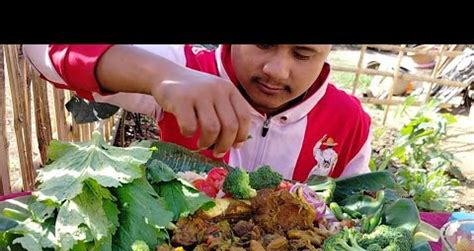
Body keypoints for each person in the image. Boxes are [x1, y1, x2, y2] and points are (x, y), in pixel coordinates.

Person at [22, 44, 372, 182]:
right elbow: (43, 51)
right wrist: (160, 76)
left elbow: (355, 210)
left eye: (302, 53)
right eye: (264, 43)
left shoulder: (350, 121)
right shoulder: (188, 69)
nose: (277, 70)